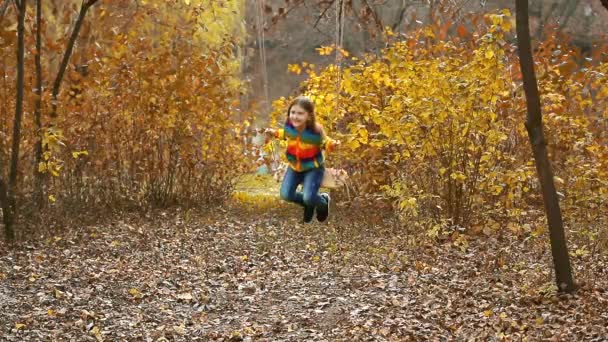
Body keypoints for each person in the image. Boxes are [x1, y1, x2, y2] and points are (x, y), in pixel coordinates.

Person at [265, 96, 340, 223]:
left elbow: (325, 142)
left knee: (309, 197)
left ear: (309, 116)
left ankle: (322, 202)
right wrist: (274, 133)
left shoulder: (315, 131)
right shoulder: (290, 126)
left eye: (300, 113)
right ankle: (307, 204)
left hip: (313, 168)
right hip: (295, 167)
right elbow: (285, 133)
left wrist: (333, 145)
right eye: (292, 112)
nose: (295, 116)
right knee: (286, 194)